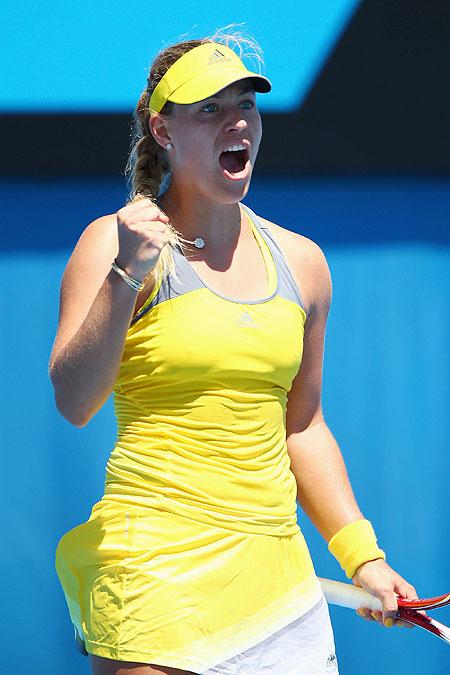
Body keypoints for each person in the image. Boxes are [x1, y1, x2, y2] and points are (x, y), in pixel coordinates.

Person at [49, 32, 418, 675]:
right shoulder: (108, 243)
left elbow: (301, 426)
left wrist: (365, 558)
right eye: (210, 110)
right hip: (152, 573)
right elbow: (74, 401)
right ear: (164, 132)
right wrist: (125, 274)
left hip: (275, 582)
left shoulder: (304, 264)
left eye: (245, 104)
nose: (237, 121)